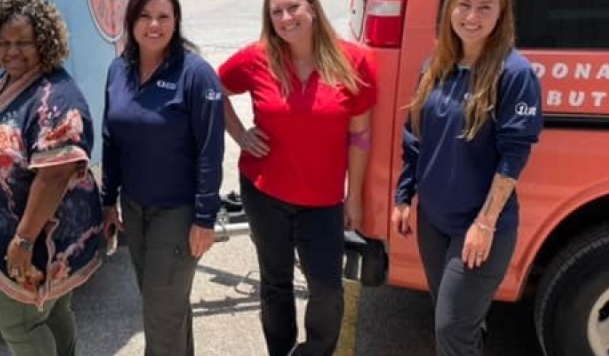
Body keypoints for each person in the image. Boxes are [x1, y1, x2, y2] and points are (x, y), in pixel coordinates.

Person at [216, 0, 378, 354]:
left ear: (314, 9)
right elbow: (212, 90)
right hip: (264, 193)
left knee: (327, 289)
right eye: (277, 12)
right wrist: (240, 134)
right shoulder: (256, 59)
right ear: (269, 19)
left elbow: (361, 134)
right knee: (276, 284)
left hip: (323, 201)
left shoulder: (355, 60)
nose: (287, 18)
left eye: (294, 7)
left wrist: (354, 196)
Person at [391, 0, 542, 354]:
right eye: (464, 5)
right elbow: (415, 138)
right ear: (448, 11)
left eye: (484, 8)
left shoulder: (515, 73)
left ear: (501, 14)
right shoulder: (435, 65)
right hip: (433, 221)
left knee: (452, 331)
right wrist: (403, 195)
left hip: (478, 226)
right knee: (459, 322)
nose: (472, 17)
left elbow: (514, 154)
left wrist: (485, 223)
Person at [0, 1, 104, 355]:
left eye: (23, 43)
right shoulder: (12, 83)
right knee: (52, 313)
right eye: (4, 43)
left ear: (44, 42)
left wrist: (22, 241)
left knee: (16, 321)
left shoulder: (56, 97)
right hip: (22, 234)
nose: (12, 51)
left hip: (41, 240)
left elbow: (54, 177)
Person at [99, 0, 225, 354]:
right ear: (131, 20)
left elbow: (210, 153)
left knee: (159, 315)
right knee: (167, 307)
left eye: (163, 17)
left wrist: (205, 218)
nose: (154, 25)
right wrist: (108, 201)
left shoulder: (195, 74)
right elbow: (112, 140)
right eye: (144, 16)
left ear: (176, 21)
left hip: (178, 212)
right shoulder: (118, 71)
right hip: (135, 210)